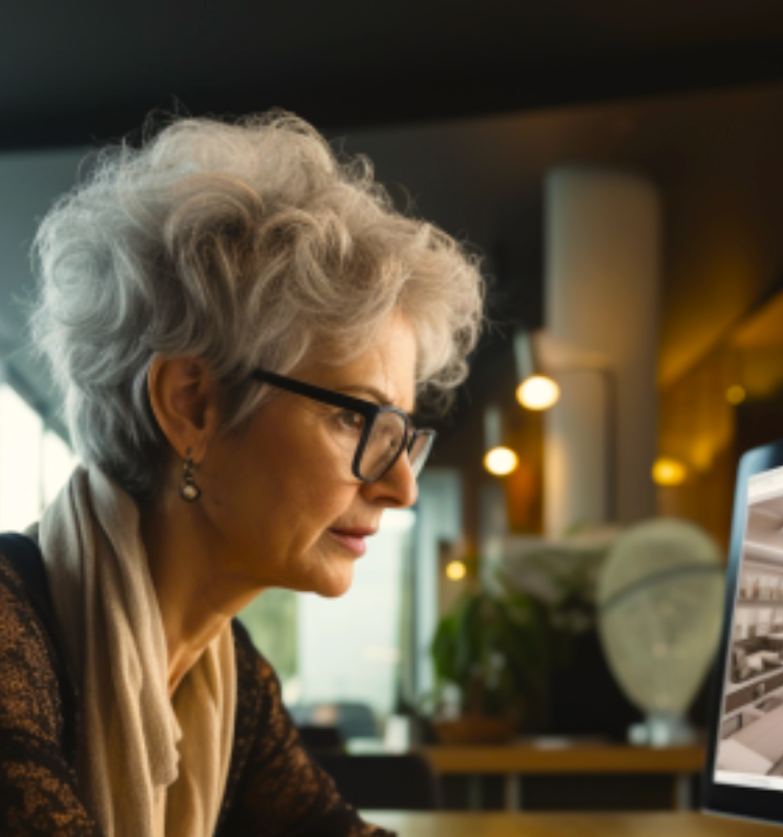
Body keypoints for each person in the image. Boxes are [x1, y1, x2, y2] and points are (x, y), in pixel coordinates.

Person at [0, 111, 484, 836]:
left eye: (401, 435)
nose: (400, 487)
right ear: (192, 404)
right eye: (356, 418)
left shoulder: (227, 676)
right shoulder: (12, 639)